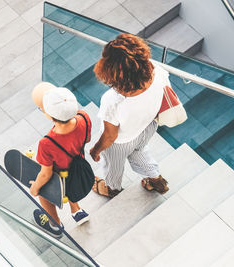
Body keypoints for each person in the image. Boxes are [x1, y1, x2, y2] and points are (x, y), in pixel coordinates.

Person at [90, 33, 169, 198]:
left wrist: (96, 150)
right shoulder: (158, 71)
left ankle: (112, 188)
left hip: (121, 141)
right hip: (147, 127)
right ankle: (155, 179)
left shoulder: (113, 100)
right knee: (139, 152)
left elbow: (110, 136)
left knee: (114, 167)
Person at [29, 82, 92, 238]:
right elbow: (87, 138)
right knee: (72, 183)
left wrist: (35, 188)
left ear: (49, 116)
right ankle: (77, 211)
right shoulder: (84, 117)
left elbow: (45, 174)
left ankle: (55, 225)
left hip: (61, 178)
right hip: (80, 170)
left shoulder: (47, 143)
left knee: (43, 194)